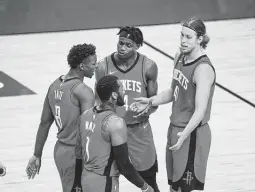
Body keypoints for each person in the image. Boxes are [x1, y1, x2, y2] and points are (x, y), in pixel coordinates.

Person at [131, 17, 216, 192]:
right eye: (182, 36)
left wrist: (184, 135)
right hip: (175, 128)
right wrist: (151, 100)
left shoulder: (203, 69)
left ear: (200, 39)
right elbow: (174, 91)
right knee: (174, 186)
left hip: (192, 133)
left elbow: (200, 110)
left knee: (184, 188)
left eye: (188, 37)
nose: (183, 41)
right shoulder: (179, 57)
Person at [94, 26, 160, 192]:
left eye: (128, 45)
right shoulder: (103, 66)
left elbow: (154, 102)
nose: (122, 47)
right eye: (120, 43)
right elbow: (98, 101)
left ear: (137, 46)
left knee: (149, 180)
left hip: (138, 131)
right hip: (111, 132)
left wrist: (148, 110)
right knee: (106, 182)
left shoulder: (148, 66)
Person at [26, 43, 98, 192]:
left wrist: (37, 154)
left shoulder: (54, 85)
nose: (96, 67)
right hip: (77, 153)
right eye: (93, 63)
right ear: (81, 66)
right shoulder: (84, 91)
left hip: (61, 151)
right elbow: (88, 129)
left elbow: (44, 123)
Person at [75, 75, 154, 192]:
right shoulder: (115, 123)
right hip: (104, 182)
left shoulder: (84, 116)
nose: (124, 91)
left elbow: (78, 153)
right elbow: (124, 165)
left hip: (85, 179)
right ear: (114, 95)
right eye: (121, 88)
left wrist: (77, 183)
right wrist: (145, 187)